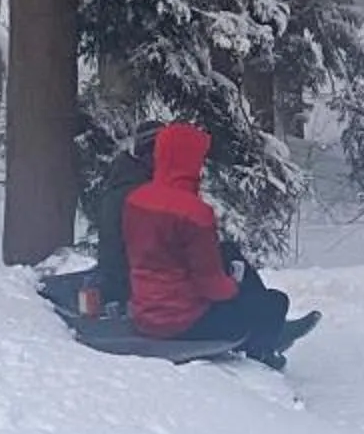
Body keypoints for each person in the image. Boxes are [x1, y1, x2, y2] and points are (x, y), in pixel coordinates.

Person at [122, 124, 316, 361]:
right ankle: (263, 354)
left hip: (144, 314)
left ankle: (269, 332)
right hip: (184, 321)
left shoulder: (136, 199)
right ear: (189, 160)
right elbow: (211, 286)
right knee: (274, 302)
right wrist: (235, 287)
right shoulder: (194, 212)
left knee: (241, 279)